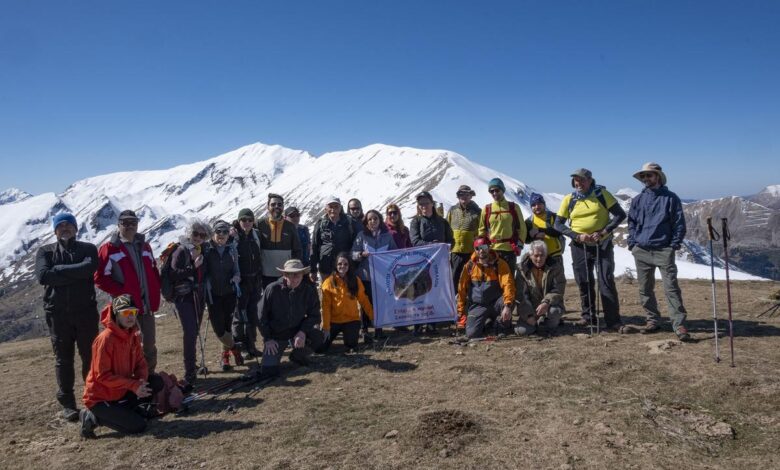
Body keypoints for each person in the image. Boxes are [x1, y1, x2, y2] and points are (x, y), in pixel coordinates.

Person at [35, 212, 99, 422]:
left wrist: (59, 271)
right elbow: (43, 276)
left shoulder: (88, 249)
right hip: (58, 315)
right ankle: (68, 405)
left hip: (85, 313)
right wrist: (75, 272)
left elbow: (89, 268)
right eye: (60, 225)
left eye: (68, 225)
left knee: (90, 357)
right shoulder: (45, 252)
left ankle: (93, 398)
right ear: (55, 230)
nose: (65, 228)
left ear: (75, 228)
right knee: (63, 359)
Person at [80, 295, 164, 438]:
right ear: (116, 314)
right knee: (139, 426)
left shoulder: (133, 334)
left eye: (133, 312)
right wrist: (133, 385)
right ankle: (92, 416)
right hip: (101, 398)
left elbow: (140, 363)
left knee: (156, 382)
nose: (130, 316)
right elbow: (102, 376)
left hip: (121, 390)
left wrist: (141, 383)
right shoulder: (105, 339)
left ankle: (125, 410)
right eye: (125, 313)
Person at [554, 168, 626, 332]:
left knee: (605, 281)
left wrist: (603, 232)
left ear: (590, 180)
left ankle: (613, 320)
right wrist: (576, 236)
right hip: (579, 246)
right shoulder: (569, 199)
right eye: (576, 180)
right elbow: (558, 224)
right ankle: (588, 316)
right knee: (584, 282)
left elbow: (620, 215)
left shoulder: (602, 194)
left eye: (582, 180)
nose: (578, 183)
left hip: (603, 244)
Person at [627, 162, 690, 341]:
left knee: (671, 288)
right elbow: (631, 222)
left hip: (663, 250)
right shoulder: (638, 200)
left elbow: (679, 224)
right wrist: (633, 244)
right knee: (645, 289)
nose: (646, 179)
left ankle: (679, 325)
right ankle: (652, 320)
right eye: (644, 176)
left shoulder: (671, 198)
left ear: (658, 177)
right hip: (641, 250)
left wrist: (673, 245)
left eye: (649, 175)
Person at [95, 210, 161, 373]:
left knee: (149, 345)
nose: (130, 226)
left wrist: (155, 291)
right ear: (118, 225)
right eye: (125, 223)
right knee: (127, 346)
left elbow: (153, 271)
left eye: (133, 222)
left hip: (146, 306)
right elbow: (100, 278)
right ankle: (129, 383)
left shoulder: (145, 246)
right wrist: (121, 292)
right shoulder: (109, 248)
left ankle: (148, 378)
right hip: (125, 308)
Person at [257, 260, 325, 378]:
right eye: (290, 274)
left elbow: (315, 315)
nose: (294, 278)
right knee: (269, 371)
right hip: (276, 335)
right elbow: (260, 316)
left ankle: (297, 355)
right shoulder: (272, 289)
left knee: (318, 337)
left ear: (302, 275)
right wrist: (268, 338)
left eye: (297, 274)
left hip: (296, 331)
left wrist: (302, 331)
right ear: (285, 275)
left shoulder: (308, 290)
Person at [168, 220, 210, 389]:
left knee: (194, 332)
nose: (198, 238)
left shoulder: (202, 249)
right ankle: (189, 372)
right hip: (185, 297)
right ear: (189, 233)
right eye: (195, 234)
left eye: (202, 235)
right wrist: (193, 266)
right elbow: (173, 274)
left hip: (197, 295)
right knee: (191, 332)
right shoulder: (181, 250)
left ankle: (192, 367)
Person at [410, 191, 454, 334]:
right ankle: (418, 324)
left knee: (434, 291)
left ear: (432, 204)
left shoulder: (442, 222)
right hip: (420, 264)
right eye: (421, 204)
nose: (423, 206)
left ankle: (432, 323)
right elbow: (415, 241)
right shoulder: (415, 222)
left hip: (438, 264)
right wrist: (431, 245)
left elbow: (451, 241)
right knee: (420, 292)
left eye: (426, 203)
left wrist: (443, 246)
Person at [204, 220, 244, 371]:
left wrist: (236, 278)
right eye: (218, 232)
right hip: (212, 293)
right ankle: (234, 348)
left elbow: (237, 270)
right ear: (213, 234)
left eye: (225, 232)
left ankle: (225, 357)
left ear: (229, 234)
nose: (221, 235)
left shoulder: (232, 249)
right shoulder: (207, 249)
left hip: (229, 292)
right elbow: (204, 270)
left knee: (227, 326)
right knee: (219, 328)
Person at [457, 237, 515, 339]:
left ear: (489, 247)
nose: (481, 250)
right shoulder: (469, 266)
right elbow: (461, 289)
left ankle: (501, 324)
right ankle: (488, 322)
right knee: (472, 334)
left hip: (496, 303)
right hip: (478, 305)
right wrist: (460, 312)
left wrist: (508, 305)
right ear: (474, 250)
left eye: (483, 246)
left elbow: (508, 285)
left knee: (506, 307)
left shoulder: (500, 264)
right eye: (477, 248)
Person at [352, 210, 397, 340]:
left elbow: (394, 253)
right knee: (366, 302)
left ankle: (379, 329)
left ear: (380, 220)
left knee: (380, 303)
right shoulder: (361, 235)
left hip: (382, 276)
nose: (373, 221)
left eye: (375, 219)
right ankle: (364, 329)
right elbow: (353, 254)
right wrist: (361, 255)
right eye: (370, 219)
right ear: (366, 222)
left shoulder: (387, 236)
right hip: (366, 275)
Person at [318, 253, 374, 353]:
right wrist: (326, 327)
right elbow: (325, 307)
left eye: (345, 264)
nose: (342, 266)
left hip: (351, 320)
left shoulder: (356, 280)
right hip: (333, 321)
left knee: (351, 346)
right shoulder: (328, 282)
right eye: (340, 264)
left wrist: (372, 317)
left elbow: (364, 300)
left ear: (349, 266)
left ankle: (351, 339)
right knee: (320, 348)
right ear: (336, 265)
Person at [514, 241, 567, 336]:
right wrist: (528, 315)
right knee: (522, 331)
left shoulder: (555, 267)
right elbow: (520, 295)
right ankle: (536, 322)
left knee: (554, 312)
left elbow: (558, 288)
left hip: (549, 305)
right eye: (536, 255)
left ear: (546, 255)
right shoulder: (521, 269)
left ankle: (547, 323)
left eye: (542, 255)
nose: (539, 259)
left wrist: (546, 302)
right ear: (530, 255)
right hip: (531, 307)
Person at [478, 178, 527, 275]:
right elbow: (481, 231)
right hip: (491, 251)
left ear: (502, 190)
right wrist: (483, 249)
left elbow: (522, 229)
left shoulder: (514, 207)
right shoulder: (487, 209)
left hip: (509, 250)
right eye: (492, 191)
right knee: (493, 283)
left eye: (497, 190)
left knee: (509, 282)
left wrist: (520, 246)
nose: (494, 193)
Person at [232, 208, 263, 358]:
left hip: (255, 280)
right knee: (239, 316)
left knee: (253, 315)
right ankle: (241, 347)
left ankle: (251, 345)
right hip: (241, 282)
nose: (247, 223)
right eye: (244, 220)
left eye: (250, 220)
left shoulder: (256, 235)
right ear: (239, 221)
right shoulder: (234, 237)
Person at [256, 193, 302, 288]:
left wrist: (295, 270)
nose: (276, 206)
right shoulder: (259, 224)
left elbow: (297, 249)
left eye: (279, 204)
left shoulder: (290, 226)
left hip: (286, 273)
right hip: (265, 274)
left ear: (283, 207)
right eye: (273, 204)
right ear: (267, 207)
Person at [310, 197, 357, 284]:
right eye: (330, 207)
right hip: (325, 268)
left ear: (340, 208)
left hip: (344, 268)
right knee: (327, 293)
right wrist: (313, 270)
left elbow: (355, 244)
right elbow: (314, 246)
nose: (333, 210)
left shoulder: (348, 223)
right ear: (325, 209)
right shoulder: (320, 224)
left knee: (344, 294)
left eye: (336, 206)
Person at [447, 185, 482, 290]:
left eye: (467, 194)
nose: (464, 196)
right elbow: (447, 228)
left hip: (471, 253)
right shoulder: (452, 210)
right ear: (458, 196)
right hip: (455, 252)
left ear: (471, 196)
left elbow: (481, 230)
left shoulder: (477, 212)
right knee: (454, 279)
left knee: (471, 279)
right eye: (461, 194)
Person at [525, 193, 565, 268]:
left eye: (539, 203)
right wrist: (535, 236)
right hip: (537, 258)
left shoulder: (553, 216)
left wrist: (540, 230)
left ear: (544, 204)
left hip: (554, 255)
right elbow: (526, 240)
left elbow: (559, 232)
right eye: (533, 205)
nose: (537, 207)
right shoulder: (529, 222)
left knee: (558, 279)